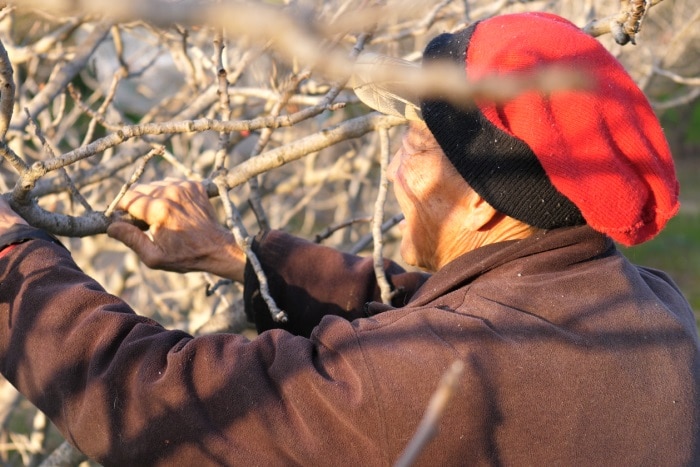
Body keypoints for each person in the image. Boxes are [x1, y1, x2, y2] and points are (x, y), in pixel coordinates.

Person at [1, 11, 698, 466]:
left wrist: (14, 261)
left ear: (487, 207)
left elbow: (155, 396)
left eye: (418, 148)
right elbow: (428, 303)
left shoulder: (429, 378)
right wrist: (234, 258)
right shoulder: (656, 312)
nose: (393, 169)